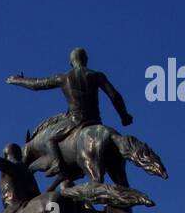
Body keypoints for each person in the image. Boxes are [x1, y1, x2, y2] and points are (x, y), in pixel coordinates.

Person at [7, 47, 133, 179]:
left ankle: (56, 163)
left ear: (71, 63)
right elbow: (114, 96)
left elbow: (37, 84)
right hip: (95, 120)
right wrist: (124, 116)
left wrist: (18, 80)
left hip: (75, 121)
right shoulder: (97, 75)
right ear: (86, 60)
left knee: (50, 138)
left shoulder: (64, 77)